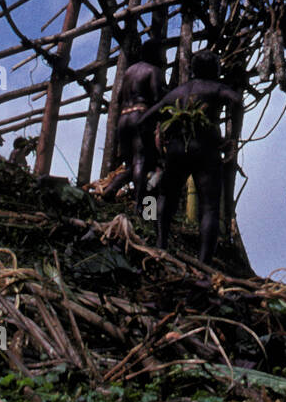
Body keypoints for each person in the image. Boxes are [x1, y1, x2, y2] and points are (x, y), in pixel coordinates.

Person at [138, 50, 243, 265]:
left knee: (166, 197)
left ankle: (161, 244)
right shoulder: (217, 88)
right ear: (215, 70)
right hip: (205, 149)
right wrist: (231, 136)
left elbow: (146, 118)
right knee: (210, 207)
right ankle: (204, 262)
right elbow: (238, 101)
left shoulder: (178, 92)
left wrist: (154, 148)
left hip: (177, 149)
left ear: (193, 70)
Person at [102, 38, 165, 213]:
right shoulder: (153, 71)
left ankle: (112, 188)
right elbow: (158, 98)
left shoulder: (129, 71)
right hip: (141, 116)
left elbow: (119, 98)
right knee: (144, 163)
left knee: (131, 164)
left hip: (123, 119)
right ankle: (143, 208)